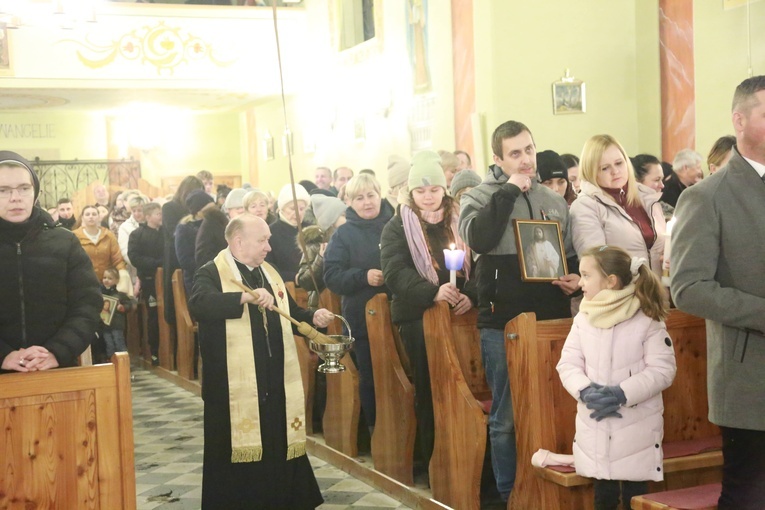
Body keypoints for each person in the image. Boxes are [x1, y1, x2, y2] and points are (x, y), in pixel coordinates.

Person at [458, 121, 580, 501]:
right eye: (515, 154)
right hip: (503, 318)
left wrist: (574, 277)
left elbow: (570, 254)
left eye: (529, 150)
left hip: (551, 315)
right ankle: (509, 494)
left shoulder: (554, 199)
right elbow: (479, 238)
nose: (526, 159)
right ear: (497, 159)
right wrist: (510, 190)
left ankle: (550, 490)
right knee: (507, 415)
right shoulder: (478, 197)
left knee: (556, 405)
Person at [188, 214, 333, 510]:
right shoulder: (213, 273)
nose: (269, 246)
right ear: (239, 242)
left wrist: (311, 316)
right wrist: (242, 299)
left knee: (276, 443)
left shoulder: (269, 271)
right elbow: (199, 304)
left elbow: (288, 312)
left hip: (273, 378)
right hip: (232, 387)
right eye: (262, 240)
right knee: (236, 454)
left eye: (268, 238)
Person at [671, 75, 765, 509]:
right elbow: (688, 288)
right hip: (751, 374)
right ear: (739, 120)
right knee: (748, 495)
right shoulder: (708, 196)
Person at [557, 245, 676, 510]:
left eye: (587, 275)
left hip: (636, 426)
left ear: (610, 281)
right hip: (596, 425)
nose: (581, 282)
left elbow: (663, 369)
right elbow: (568, 363)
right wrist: (586, 391)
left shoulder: (645, 317)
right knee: (604, 498)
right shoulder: (584, 318)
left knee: (636, 497)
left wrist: (622, 393)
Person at [380, 150, 475, 474]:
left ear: (443, 189)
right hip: (416, 315)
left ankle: (473, 454)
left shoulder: (461, 218)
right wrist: (433, 292)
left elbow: (480, 262)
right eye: (420, 191)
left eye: (434, 189)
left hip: (462, 313)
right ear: (410, 192)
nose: (428, 197)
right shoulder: (397, 226)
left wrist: (470, 295)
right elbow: (395, 272)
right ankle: (434, 457)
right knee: (432, 380)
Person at [0, 151, 101, 373]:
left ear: (35, 192)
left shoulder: (64, 242)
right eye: (3, 190)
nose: (15, 197)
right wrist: (4, 355)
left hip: (56, 369)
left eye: (24, 188)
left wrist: (56, 351)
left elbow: (88, 303)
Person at [324, 173, 394, 434]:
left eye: (371, 195)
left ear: (380, 194)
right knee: (372, 376)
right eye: (359, 198)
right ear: (350, 202)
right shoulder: (344, 234)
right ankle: (376, 432)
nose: (367, 202)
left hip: (397, 313)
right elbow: (331, 275)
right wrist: (363, 276)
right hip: (362, 319)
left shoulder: (396, 225)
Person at [570, 135, 665, 276]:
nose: (615, 171)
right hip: (621, 293)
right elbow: (596, 262)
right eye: (605, 168)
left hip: (658, 291)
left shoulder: (646, 196)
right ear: (591, 171)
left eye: (619, 163)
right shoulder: (585, 206)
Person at [162, 176, 204, 326]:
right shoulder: (170, 208)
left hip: (198, 257)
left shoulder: (202, 210)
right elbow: (174, 232)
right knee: (178, 307)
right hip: (178, 260)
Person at [129, 202, 165, 366]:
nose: (161, 216)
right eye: (158, 214)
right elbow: (134, 257)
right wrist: (156, 263)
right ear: (148, 216)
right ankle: (155, 352)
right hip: (150, 280)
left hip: (167, 279)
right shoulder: (137, 234)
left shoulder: (166, 233)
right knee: (153, 316)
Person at [296, 194, 347, 308]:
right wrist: (320, 258)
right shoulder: (315, 244)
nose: (348, 218)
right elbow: (305, 282)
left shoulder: (350, 238)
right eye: (343, 215)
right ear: (331, 220)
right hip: (322, 306)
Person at [266, 183, 311, 283]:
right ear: (282, 208)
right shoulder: (270, 232)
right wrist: (294, 277)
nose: (298, 213)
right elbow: (268, 268)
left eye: (302, 209)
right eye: (292, 208)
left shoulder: (312, 230)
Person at [176, 189, 216, 294]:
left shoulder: (215, 223)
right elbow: (184, 260)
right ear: (198, 211)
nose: (213, 211)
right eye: (209, 209)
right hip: (196, 278)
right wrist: (208, 268)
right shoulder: (184, 228)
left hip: (216, 274)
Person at [75, 205, 127, 281]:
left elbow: (117, 259)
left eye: (94, 214)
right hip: (83, 281)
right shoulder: (74, 236)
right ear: (82, 218)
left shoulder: (108, 235)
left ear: (99, 217)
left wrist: (123, 274)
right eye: (87, 214)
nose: (91, 217)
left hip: (107, 281)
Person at [100, 267, 135, 359]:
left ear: (117, 280)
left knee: (119, 342)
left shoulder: (120, 295)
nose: (106, 280)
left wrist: (122, 307)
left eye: (110, 278)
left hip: (117, 325)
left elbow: (129, 305)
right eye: (104, 277)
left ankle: (124, 363)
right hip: (105, 325)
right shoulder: (99, 294)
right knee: (109, 345)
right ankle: (112, 364)